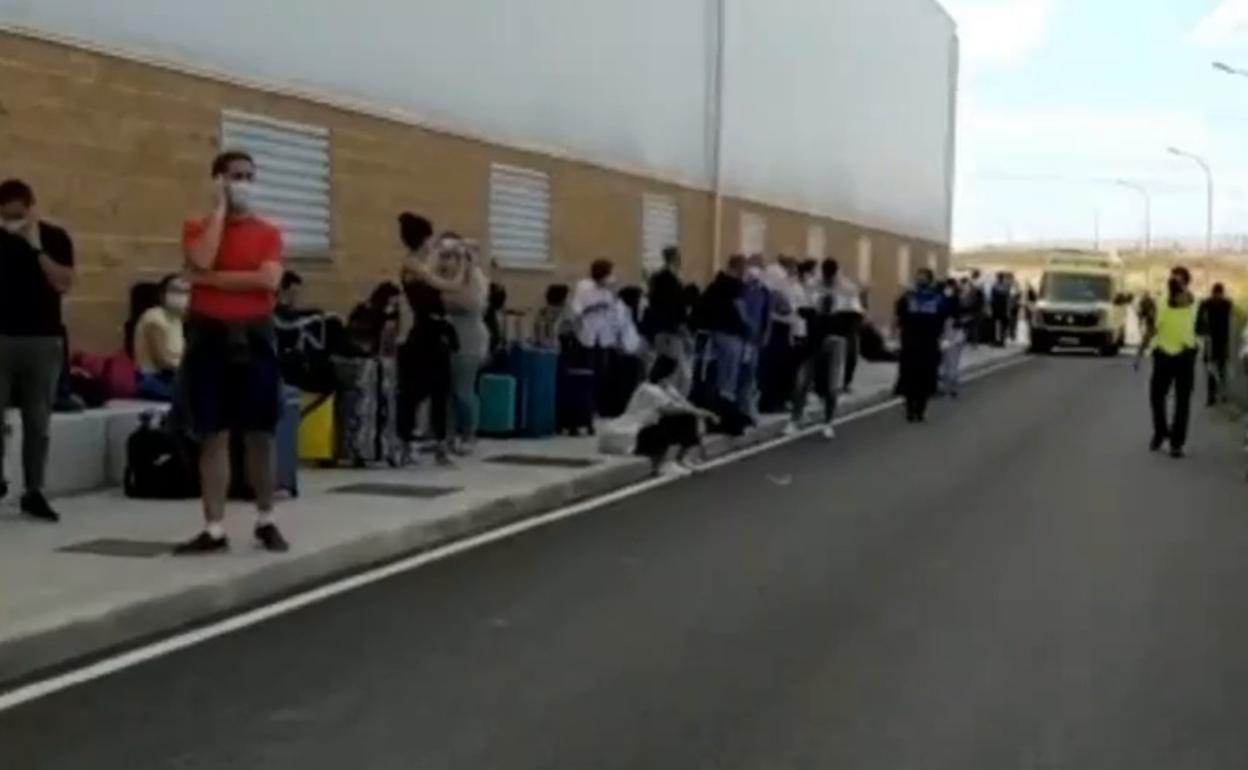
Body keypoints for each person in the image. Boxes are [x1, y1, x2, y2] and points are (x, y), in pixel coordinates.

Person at [176, 150, 287, 554]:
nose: (243, 183)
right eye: (235, 176)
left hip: (254, 334)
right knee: (213, 432)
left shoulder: (268, 232)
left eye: (249, 176)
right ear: (218, 180)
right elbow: (201, 256)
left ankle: (266, 518)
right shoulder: (197, 227)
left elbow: (267, 281)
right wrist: (219, 213)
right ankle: (215, 527)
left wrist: (209, 280)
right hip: (209, 335)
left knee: (261, 432)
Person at [0, 178, 75, 522]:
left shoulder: (54, 237)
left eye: (17, 215)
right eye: (5, 216)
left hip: (42, 339)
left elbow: (64, 282)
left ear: (30, 209)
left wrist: (35, 247)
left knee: (37, 418)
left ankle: (35, 489)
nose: (11, 221)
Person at [397, 217, 458, 466]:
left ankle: (440, 445)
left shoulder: (424, 265)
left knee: (441, 390)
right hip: (420, 332)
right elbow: (445, 284)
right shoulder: (411, 267)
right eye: (429, 238)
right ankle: (406, 444)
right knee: (413, 391)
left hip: (437, 331)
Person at [422, 236, 489, 455]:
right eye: (443, 256)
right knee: (443, 391)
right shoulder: (437, 278)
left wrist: (461, 270)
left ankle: (469, 433)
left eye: (451, 257)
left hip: (467, 341)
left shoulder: (474, 277)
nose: (446, 262)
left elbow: (471, 303)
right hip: (441, 341)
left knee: (463, 390)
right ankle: (444, 435)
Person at [608, 355, 717, 475]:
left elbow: (685, 404)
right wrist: (697, 412)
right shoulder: (648, 389)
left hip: (651, 428)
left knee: (688, 416)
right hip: (638, 433)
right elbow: (668, 408)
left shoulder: (667, 388)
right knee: (678, 419)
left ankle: (682, 458)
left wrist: (701, 414)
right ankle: (665, 463)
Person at [1141, 267, 1199, 458]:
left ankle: (1176, 443)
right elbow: (1151, 328)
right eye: (1172, 281)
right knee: (1156, 396)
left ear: (1186, 284)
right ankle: (1161, 431)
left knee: (1183, 402)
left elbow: (1198, 322)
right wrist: (1140, 352)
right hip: (1163, 355)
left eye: (1179, 282)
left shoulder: (1194, 303)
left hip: (1185, 355)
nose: (1174, 285)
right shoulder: (1161, 303)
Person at [793, 259, 846, 439]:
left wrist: (838, 327)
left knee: (831, 385)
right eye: (825, 274)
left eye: (830, 275)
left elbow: (853, 316)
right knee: (802, 382)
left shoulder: (845, 289)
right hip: (814, 339)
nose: (827, 278)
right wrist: (813, 315)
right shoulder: (812, 287)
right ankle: (795, 419)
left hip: (835, 340)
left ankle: (828, 422)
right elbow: (801, 308)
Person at [895, 268, 950, 424]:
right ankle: (909, 409)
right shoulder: (908, 296)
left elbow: (943, 317)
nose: (920, 280)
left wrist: (942, 337)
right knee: (909, 376)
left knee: (925, 377)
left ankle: (921, 410)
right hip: (910, 342)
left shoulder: (938, 299)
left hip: (929, 343)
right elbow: (899, 314)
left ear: (930, 280)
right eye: (918, 277)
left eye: (923, 278)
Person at [700, 255, 751, 420]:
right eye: (744, 267)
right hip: (731, 334)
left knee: (720, 373)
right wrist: (749, 326)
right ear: (739, 267)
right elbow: (740, 308)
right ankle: (726, 410)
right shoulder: (735, 285)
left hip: (717, 332)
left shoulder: (716, 283)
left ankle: (718, 408)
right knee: (730, 375)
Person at [132, 274, 189, 401]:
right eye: (175, 291)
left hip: (173, 377)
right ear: (162, 295)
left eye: (185, 292)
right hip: (154, 380)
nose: (181, 296)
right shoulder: (154, 318)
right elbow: (163, 362)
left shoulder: (176, 320)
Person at [643, 247, 691, 392]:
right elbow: (669, 305)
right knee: (669, 364)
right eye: (678, 257)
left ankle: (659, 390)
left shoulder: (667, 278)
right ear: (674, 258)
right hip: (668, 328)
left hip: (668, 328)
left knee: (671, 364)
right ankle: (653, 389)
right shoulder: (666, 279)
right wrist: (680, 325)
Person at [738, 255, 772, 417]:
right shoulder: (742, 289)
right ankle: (742, 409)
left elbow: (767, 316)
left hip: (754, 339)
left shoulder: (764, 291)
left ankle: (747, 409)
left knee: (750, 375)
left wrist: (765, 334)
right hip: (742, 338)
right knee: (742, 374)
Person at [825, 259, 865, 392]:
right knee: (827, 353)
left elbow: (856, 308)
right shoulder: (819, 283)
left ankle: (845, 381)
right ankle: (826, 381)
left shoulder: (846, 286)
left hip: (847, 320)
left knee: (849, 353)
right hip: (828, 320)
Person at [1197, 283, 1232, 407]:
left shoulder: (1206, 303)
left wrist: (1202, 332)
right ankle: (1222, 394)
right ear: (1222, 292)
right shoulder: (1227, 304)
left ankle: (1211, 396)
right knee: (1221, 368)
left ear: (1213, 292)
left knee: (1212, 369)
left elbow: (1198, 324)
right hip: (1222, 340)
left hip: (1210, 340)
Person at [345, 281, 402, 357]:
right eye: (393, 303)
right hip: (364, 349)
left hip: (360, 348)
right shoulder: (368, 310)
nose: (395, 305)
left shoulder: (362, 308)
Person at [533, 284, 573, 350]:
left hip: (543, 346)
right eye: (567, 297)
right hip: (557, 347)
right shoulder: (565, 313)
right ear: (562, 298)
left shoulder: (543, 311)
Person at [990, 272, 1011, 347]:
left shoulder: (995, 286)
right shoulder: (1006, 286)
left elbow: (992, 298)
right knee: (1001, 325)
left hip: (997, 308)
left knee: (997, 325)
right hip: (1002, 308)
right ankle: (1001, 340)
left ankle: (998, 340)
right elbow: (1008, 298)